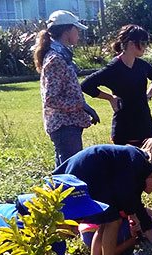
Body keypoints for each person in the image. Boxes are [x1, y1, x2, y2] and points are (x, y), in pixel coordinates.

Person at [81, 25, 152, 208]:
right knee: (128, 170)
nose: (145, 47)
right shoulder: (114, 67)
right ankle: (132, 210)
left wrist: (148, 95)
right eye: (143, 43)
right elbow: (87, 85)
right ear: (131, 43)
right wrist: (110, 98)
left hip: (145, 123)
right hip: (124, 127)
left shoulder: (141, 65)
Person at [52, 141, 152, 255]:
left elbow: (135, 200)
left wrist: (147, 228)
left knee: (104, 224)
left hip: (93, 175)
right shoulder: (137, 160)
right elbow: (126, 194)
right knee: (113, 221)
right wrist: (132, 215)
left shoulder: (136, 161)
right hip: (89, 173)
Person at [34, 10, 100, 166]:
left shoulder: (62, 55)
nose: (78, 33)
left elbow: (68, 91)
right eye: (76, 29)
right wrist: (78, 105)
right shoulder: (55, 59)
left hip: (69, 124)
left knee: (65, 171)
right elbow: (51, 99)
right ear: (66, 30)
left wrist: (86, 108)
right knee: (70, 172)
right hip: (63, 126)